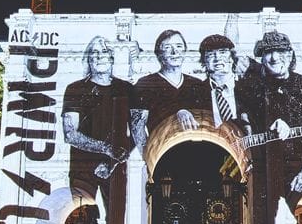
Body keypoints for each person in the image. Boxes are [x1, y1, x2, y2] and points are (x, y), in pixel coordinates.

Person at [240, 31, 302, 224]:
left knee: (281, 223)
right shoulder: (250, 87)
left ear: (290, 54)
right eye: (268, 53)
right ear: (261, 58)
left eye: (281, 51)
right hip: (263, 165)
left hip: (295, 164)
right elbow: (244, 124)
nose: (275, 57)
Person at [61, 35, 132, 207]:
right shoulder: (75, 89)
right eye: (95, 52)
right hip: (82, 168)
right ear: (88, 58)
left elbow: (137, 132)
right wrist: (107, 149)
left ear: (112, 58)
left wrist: (112, 162)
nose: (100, 56)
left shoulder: (127, 89)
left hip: (116, 168)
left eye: (105, 51)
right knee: (80, 217)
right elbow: (70, 134)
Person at [130, 30, 204, 151]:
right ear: (159, 54)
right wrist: (148, 158)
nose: (174, 52)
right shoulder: (145, 84)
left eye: (179, 46)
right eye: (168, 47)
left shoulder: (197, 84)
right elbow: (137, 128)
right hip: (162, 153)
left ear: (185, 51)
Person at [197, 34, 251, 132]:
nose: (217, 58)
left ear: (232, 58)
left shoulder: (249, 89)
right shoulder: (197, 93)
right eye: (210, 54)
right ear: (204, 61)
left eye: (222, 52)